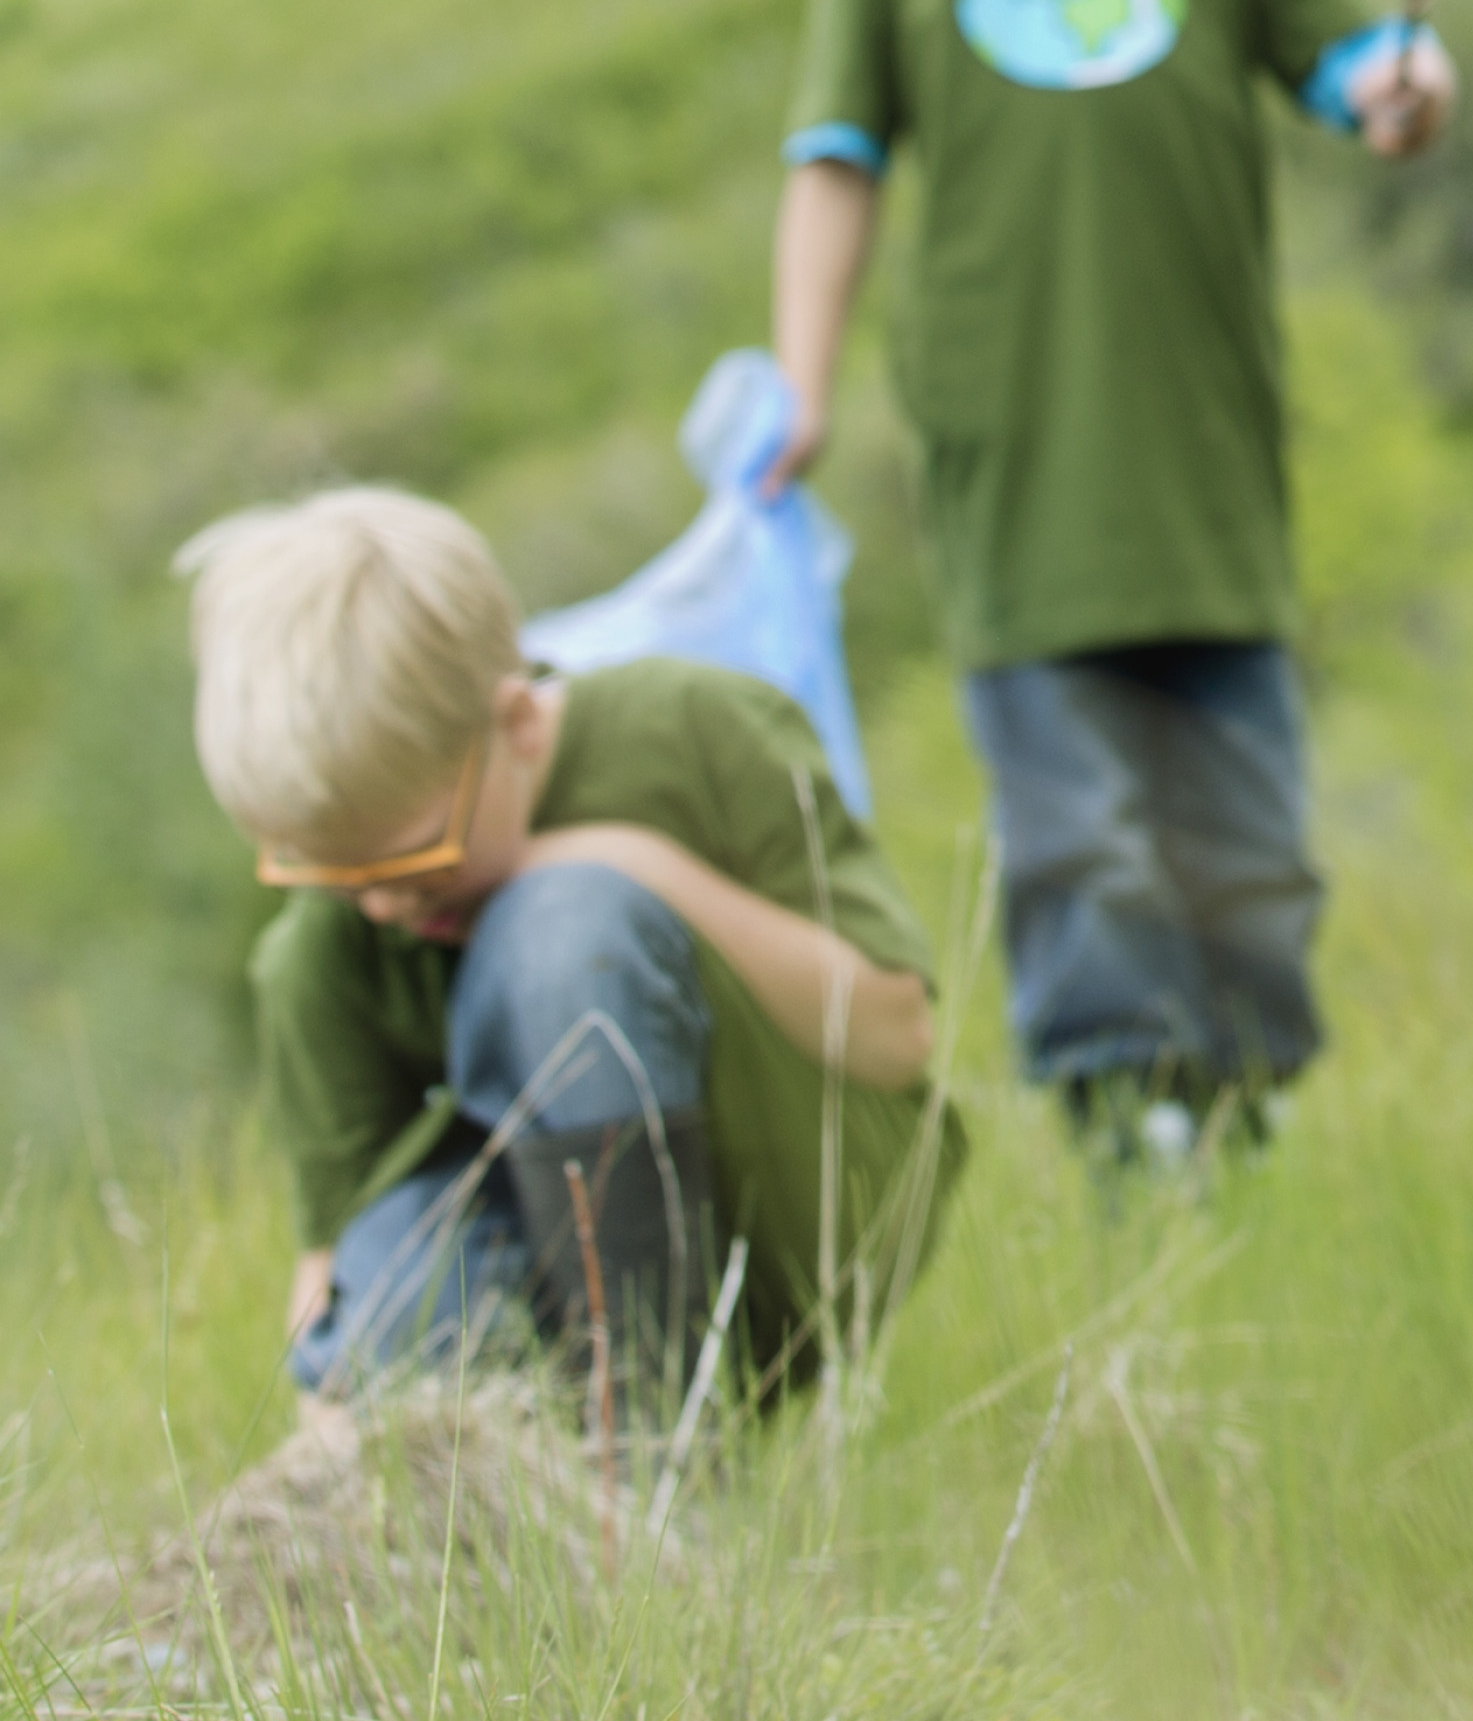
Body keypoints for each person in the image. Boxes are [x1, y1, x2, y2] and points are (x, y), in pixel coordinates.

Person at [765, 0, 1459, 1162]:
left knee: (1243, 846)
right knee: (1080, 837)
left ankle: (1239, 1124)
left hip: (1205, 450)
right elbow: (835, 159)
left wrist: (1407, 82)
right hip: (1019, 455)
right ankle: (1120, 1138)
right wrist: (801, 382)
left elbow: (1348, 60)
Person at [186, 483, 956, 1416]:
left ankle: (657, 1456)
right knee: (396, 1309)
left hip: (802, 1215)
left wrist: (631, 862)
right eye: (340, 879)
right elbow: (337, 1262)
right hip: (551, 1295)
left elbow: (895, 1037)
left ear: (514, 723)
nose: (386, 906)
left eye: (419, 864)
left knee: (564, 927)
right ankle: (571, 1488)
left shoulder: (694, 730)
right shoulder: (321, 956)